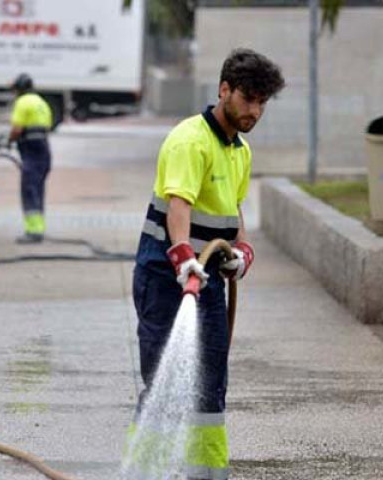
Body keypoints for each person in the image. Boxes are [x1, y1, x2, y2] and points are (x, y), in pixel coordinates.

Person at [129, 48, 285, 479]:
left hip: (209, 281)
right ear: (224, 90)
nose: (254, 110)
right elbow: (179, 208)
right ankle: (146, 471)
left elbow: (233, 216)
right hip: (164, 278)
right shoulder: (189, 140)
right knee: (161, 379)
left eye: (261, 103)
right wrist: (182, 259)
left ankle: (207, 475)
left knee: (210, 385)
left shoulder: (240, 152)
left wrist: (242, 254)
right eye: (248, 99)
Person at [7, 73, 53, 244]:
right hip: (44, 153)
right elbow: (46, 128)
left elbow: (17, 129)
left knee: (29, 190)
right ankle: (39, 228)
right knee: (38, 189)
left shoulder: (22, 102)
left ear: (19, 88)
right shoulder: (41, 102)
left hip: (31, 155)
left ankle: (33, 232)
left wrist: (8, 140)